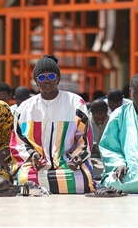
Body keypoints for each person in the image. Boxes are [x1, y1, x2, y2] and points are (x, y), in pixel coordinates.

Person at [10, 55, 94, 194]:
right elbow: (18, 142)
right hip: (37, 166)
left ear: (58, 78)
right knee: (25, 179)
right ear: (36, 82)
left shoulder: (76, 103)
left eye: (51, 76)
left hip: (68, 165)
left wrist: (77, 158)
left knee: (83, 180)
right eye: (42, 78)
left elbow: (84, 139)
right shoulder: (25, 108)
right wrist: (32, 156)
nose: (47, 81)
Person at [89, 99, 109, 181]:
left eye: (103, 117)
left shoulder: (113, 121)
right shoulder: (86, 122)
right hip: (91, 159)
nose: (100, 120)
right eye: (97, 118)